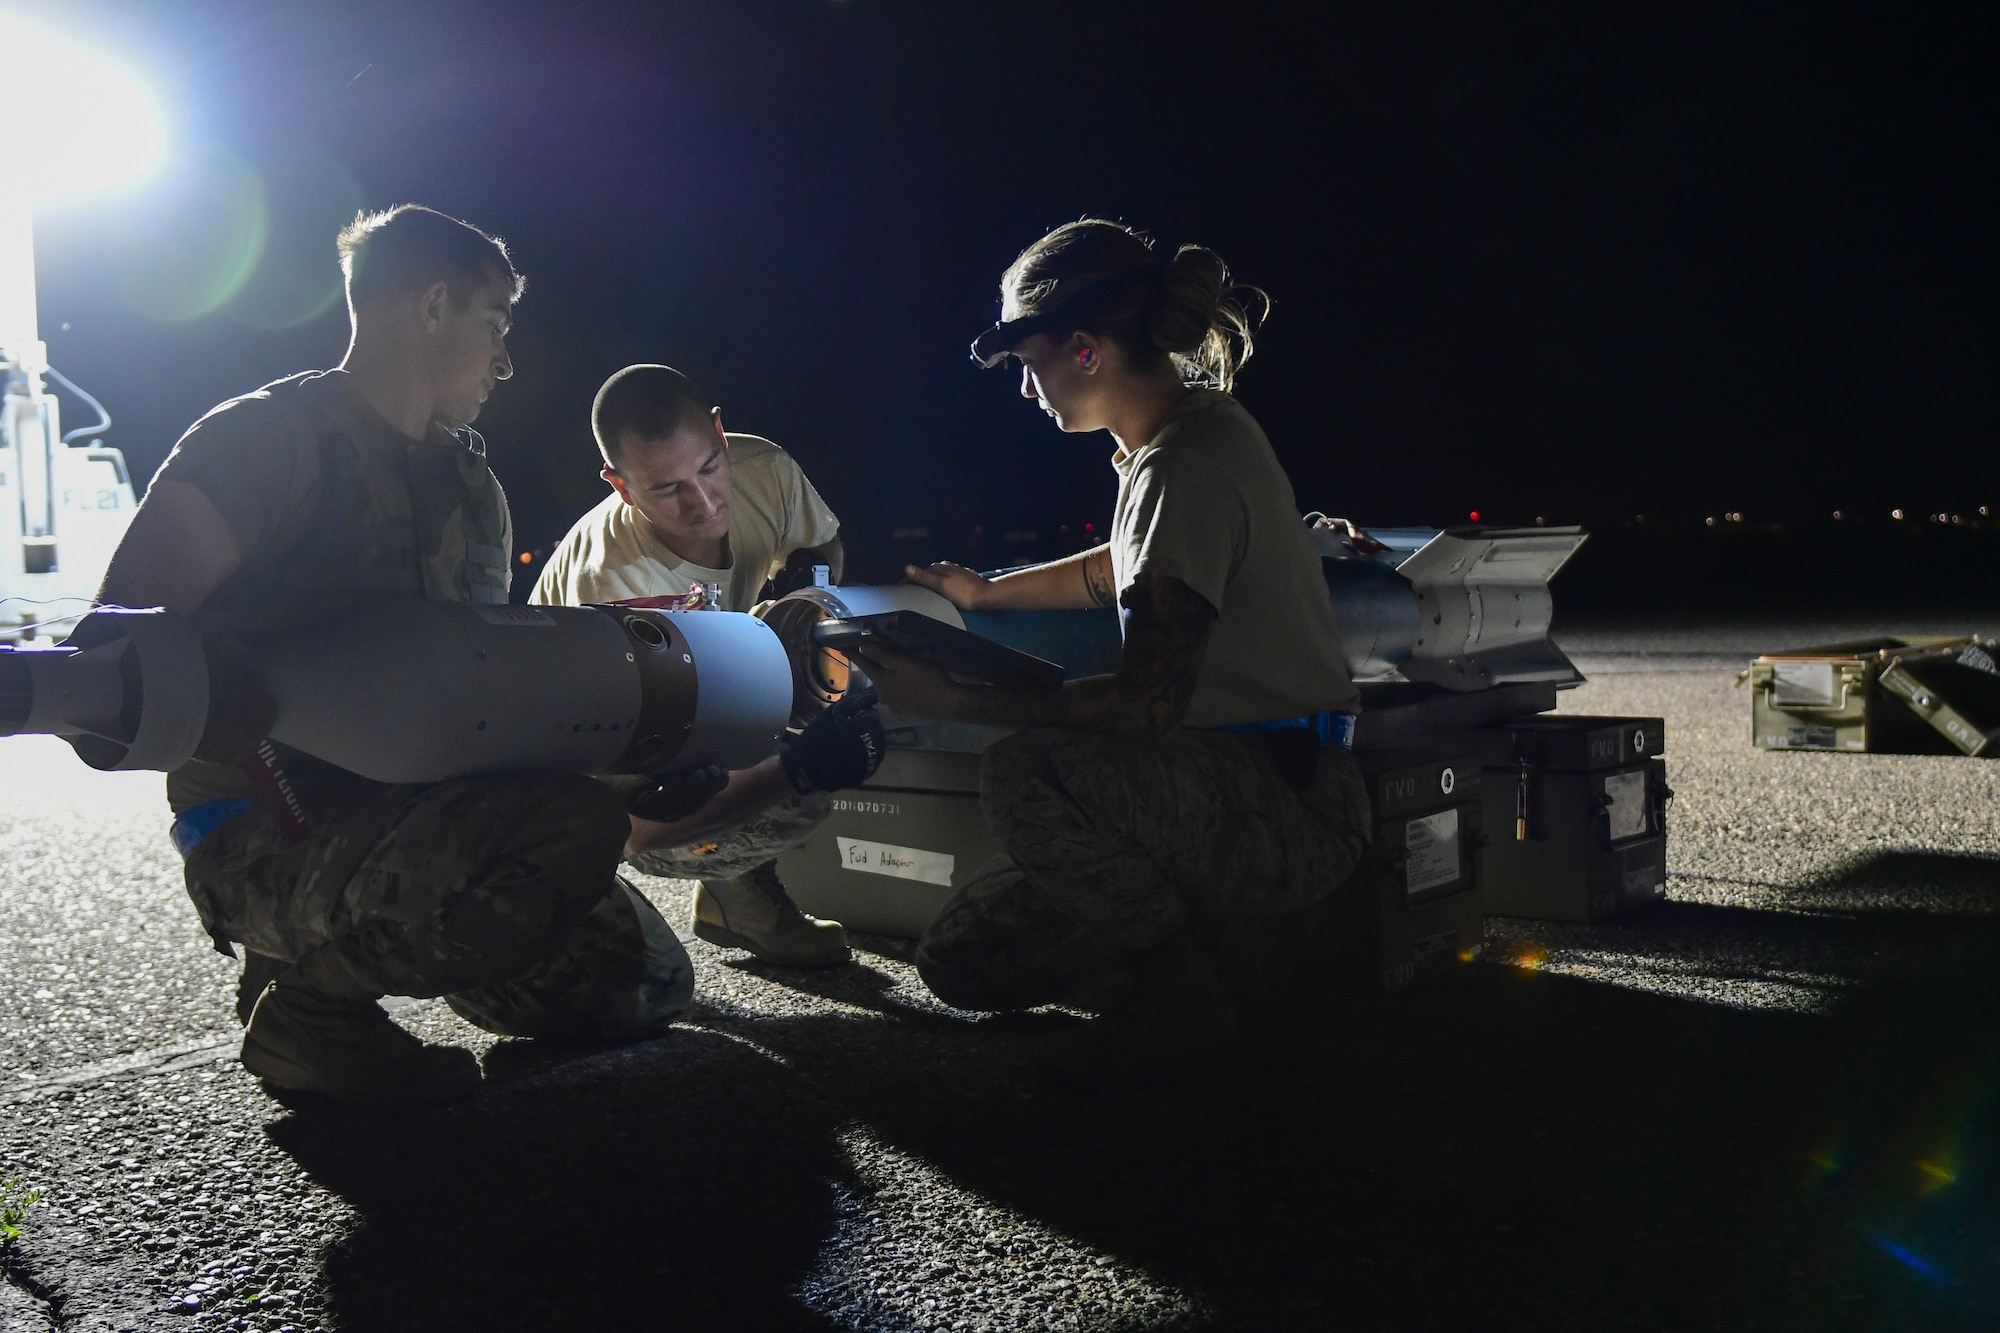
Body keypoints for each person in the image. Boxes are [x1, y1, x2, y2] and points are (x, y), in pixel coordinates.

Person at [96, 207, 880, 1107]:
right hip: (270, 819)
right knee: (568, 835)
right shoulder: (269, 440)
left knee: (643, 984)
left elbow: (484, 701)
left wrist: (641, 769)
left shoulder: (472, 489)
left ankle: (336, 950)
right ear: (433, 306)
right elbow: (119, 640)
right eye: (495, 323)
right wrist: (221, 683)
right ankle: (310, 1007)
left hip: (417, 812)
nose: (505, 360)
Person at [852, 219, 1373, 1081]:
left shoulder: (1185, 466)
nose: (1027, 388)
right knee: (963, 960)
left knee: (1027, 769)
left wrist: (953, 700)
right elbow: (1121, 566)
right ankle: (1236, 950)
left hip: (1284, 803)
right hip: (1250, 789)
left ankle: (1186, 1005)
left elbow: (1146, 708)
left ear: (1085, 350)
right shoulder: (1185, 437)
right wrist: (985, 592)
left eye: (1030, 362)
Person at [532, 365, 852, 968]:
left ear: (721, 434)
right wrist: (791, 764)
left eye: (708, 468)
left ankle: (740, 901)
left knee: (818, 690)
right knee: (792, 784)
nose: (703, 503)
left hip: (696, 683)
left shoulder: (766, 469)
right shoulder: (614, 579)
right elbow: (628, 762)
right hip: (582, 745)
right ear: (620, 486)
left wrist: (804, 602)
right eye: (666, 489)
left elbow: (824, 546)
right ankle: (583, 888)